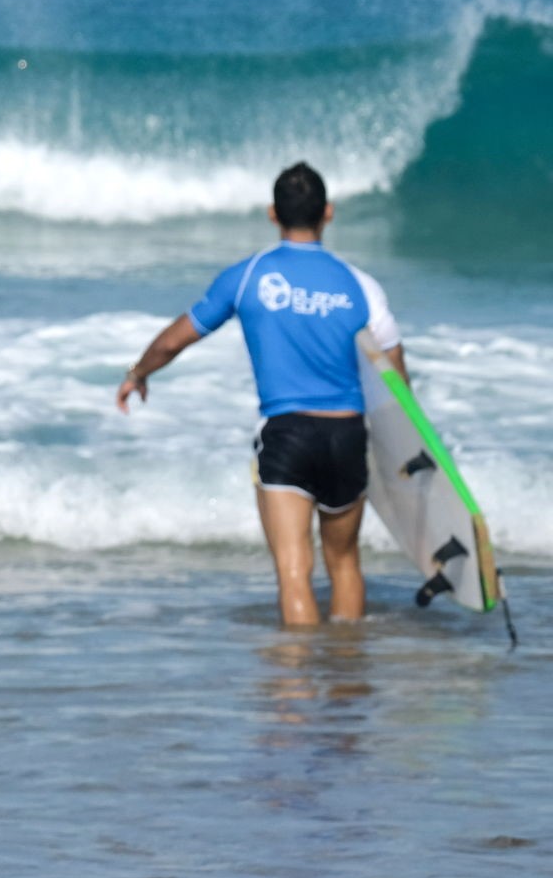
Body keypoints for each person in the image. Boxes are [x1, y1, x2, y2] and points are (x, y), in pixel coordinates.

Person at [116, 161, 406, 627]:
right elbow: (395, 379)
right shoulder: (361, 286)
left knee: (295, 574)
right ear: (327, 213)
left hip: (287, 433)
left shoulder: (248, 276)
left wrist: (138, 372)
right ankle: (348, 679)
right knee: (345, 563)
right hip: (347, 434)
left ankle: (294, 691)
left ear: (273, 214)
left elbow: (174, 340)